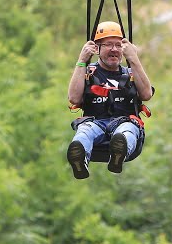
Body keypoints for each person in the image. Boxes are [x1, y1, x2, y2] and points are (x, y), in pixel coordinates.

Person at [66, 21, 155, 179]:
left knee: (126, 131)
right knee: (84, 131)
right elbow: (73, 98)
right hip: (95, 123)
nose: (114, 49)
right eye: (108, 45)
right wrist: (82, 60)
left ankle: (119, 153)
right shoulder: (87, 72)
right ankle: (79, 158)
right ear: (97, 48)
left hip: (125, 122)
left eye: (118, 45)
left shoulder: (131, 73)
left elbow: (146, 94)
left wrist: (133, 58)